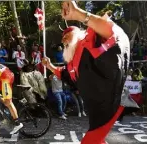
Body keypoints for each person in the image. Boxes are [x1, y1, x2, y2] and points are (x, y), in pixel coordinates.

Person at [42, 1, 133, 144]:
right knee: (99, 141)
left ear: (78, 33)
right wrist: (49, 66)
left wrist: (79, 14)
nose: (64, 39)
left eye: (67, 35)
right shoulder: (73, 62)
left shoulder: (91, 39)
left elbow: (112, 32)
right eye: (62, 39)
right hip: (97, 109)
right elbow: (64, 74)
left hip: (112, 102)